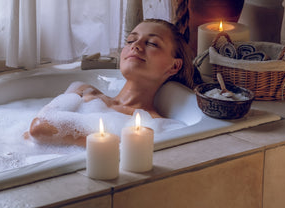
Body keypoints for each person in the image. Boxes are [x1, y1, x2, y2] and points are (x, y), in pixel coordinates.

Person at [28, 18, 197, 146]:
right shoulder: (84, 90)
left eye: (152, 43)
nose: (135, 45)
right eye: (131, 40)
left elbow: (39, 128)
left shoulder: (154, 128)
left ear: (174, 66)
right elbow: (35, 132)